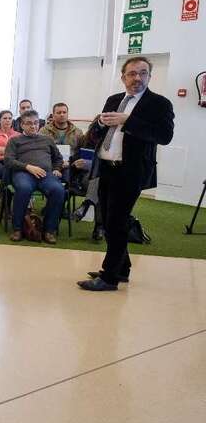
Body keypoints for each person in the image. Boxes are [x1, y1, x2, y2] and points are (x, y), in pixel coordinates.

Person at [77, 56, 174, 292]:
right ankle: (122, 269)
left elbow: (164, 136)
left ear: (149, 76)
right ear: (123, 77)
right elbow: (99, 132)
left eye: (143, 73)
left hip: (131, 171)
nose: (137, 78)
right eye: (132, 73)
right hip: (106, 168)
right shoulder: (113, 99)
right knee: (108, 219)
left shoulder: (159, 103)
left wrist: (128, 121)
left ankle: (109, 277)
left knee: (116, 222)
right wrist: (100, 124)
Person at [3, 110, 66, 244]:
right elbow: (8, 161)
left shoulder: (47, 140)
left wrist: (56, 169)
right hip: (23, 173)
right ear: (22, 125)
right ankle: (18, 229)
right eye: (29, 123)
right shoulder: (14, 140)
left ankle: (49, 230)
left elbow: (58, 158)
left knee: (58, 190)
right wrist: (28, 167)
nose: (33, 126)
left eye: (36, 123)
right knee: (24, 189)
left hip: (45, 174)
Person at [0, 110, 20, 180]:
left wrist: (1, 150)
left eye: (10, 118)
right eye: (5, 118)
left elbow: (20, 150)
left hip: (14, 162)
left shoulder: (18, 135)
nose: (8, 120)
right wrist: (12, 151)